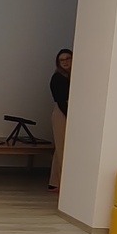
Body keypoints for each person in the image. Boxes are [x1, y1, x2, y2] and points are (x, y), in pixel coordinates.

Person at [49, 49, 72, 192]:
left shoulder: (74, 76)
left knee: (61, 148)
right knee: (62, 147)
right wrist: (70, 116)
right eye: (62, 60)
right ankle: (62, 182)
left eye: (68, 58)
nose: (65, 62)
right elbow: (60, 100)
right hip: (62, 112)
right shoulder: (57, 78)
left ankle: (55, 182)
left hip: (69, 110)